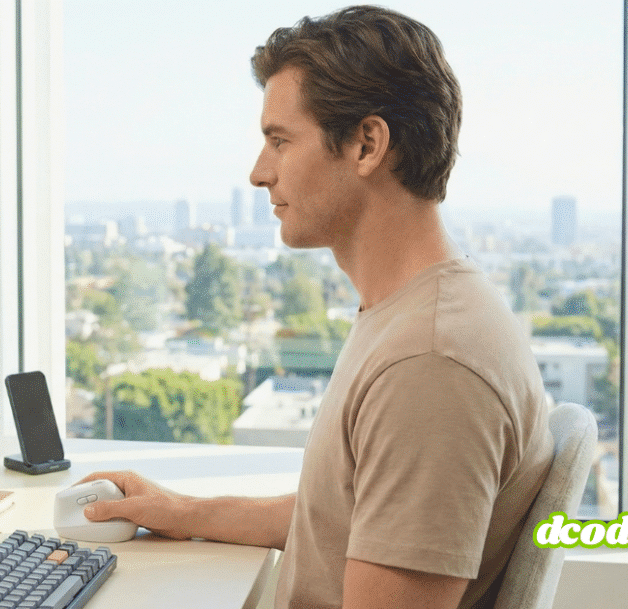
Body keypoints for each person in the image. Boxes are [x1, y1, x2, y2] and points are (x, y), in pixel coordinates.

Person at [81, 6, 553, 609]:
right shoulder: (409, 316)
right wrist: (183, 511)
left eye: (280, 141)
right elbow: (345, 519)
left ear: (366, 145)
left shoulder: (430, 365)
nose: (258, 173)